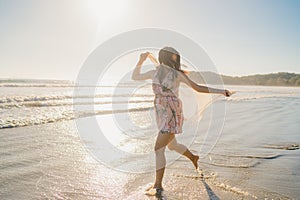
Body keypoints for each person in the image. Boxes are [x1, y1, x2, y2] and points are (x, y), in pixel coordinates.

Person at [131, 47, 233, 196]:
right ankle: (193, 157)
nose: (176, 59)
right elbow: (135, 76)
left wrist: (221, 91)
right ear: (167, 57)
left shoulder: (177, 74)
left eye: (176, 57)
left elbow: (197, 88)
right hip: (160, 112)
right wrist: (140, 60)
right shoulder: (155, 72)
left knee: (158, 149)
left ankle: (158, 185)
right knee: (172, 145)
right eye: (174, 56)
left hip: (172, 113)